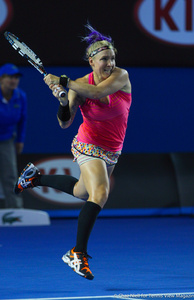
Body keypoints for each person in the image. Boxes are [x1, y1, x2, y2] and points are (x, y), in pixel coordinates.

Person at [14, 24, 132, 280]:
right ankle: (77, 253)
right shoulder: (78, 86)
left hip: (113, 149)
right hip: (88, 144)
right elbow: (65, 123)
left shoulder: (121, 76)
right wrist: (62, 101)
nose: (110, 63)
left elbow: (99, 92)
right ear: (91, 61)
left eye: (112, 57)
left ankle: (35, 178)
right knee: (100, 193)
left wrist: (64, 83)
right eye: (104, 59)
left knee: (82, 191)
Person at [0, 63, 27, 208]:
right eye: (10, 77)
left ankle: (16, 211)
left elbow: (23, 119)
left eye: (16, 77)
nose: (14, 80)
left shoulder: (20, 96)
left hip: (6, 140)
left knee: (10, 175)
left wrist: (20, 140)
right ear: (1, 79)